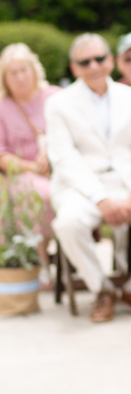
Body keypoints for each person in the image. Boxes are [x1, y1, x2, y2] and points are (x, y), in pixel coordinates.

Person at [47, 34, 131, 323]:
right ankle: (103, 289)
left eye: (99, 58)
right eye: (85, 62)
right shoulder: (58, 104)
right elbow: (65, 159)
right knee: (67, 224)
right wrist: (101, 199)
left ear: (111, 60)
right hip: (81, 188)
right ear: (74, 68)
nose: (94, 65)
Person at [0, 42, 59, 243]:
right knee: (40, 194)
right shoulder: (2, 108)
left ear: (34, 70)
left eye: (24, 70)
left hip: (60, 167)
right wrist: (33, 167)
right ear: (4, 78)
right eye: (12, 73)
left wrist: (51, 154)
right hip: (23, 174)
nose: (20, 77)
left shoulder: (55, 96)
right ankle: (38, 257)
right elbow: (2, 155)